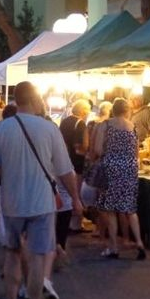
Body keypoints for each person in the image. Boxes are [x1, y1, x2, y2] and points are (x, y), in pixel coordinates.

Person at [0, 81, 82, 299]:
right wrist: (76, 198)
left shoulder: (1, 129)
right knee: (38, 258)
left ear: (16, 99)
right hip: (42, 203)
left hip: (12, 203)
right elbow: (65, 170)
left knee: (12, 253)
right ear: (35, 99)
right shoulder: (49, 129)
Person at [92, 98, 146, 261]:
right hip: (129, 169)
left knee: (110, 210)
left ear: (113, 110)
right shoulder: (132, 127)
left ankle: (113, 247)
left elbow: (98, 149)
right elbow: (136, 152)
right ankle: (139, 242)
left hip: (111, 168)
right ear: (127, 110)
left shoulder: (106, 125)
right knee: (130, 209)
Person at [59, 99, 91, 232]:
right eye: (88, 111)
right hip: (76, 163)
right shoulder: (81, 123)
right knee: (75, 193)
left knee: (66, 193)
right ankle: (75, 224)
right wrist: (88, 153)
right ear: (83, 111)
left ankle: (67, 222)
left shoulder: (64, 121)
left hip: (63, 161)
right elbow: (79, 147)